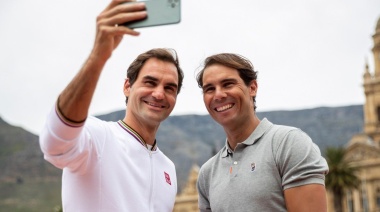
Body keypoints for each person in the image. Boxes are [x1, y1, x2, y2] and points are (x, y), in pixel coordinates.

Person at [39, 0, 184, 211]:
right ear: (127, 87)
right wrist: (98, 56)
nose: (159, 93)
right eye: (150, 82)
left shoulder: (168, 168)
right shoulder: (98, 137)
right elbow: (54, 144)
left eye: (170, 87)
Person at [196, 53, 329, 212]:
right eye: (209, 89)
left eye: (228, 84)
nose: (218, 94)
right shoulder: (207, 173)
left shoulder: (288, 144)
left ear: (252, 88)